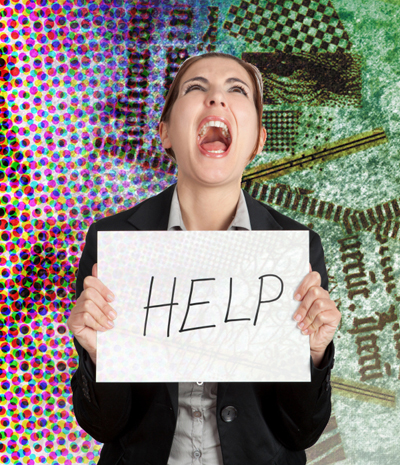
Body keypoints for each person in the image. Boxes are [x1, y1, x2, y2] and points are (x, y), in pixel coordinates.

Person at [68, 52, 341, 465]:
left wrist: (316, 354)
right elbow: (104, 426)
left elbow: (301, 429)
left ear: (258, 141)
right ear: (165, 134)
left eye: (237, 90)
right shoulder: (113, 242)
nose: (216, 99)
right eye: (197, 88)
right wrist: (96, 356)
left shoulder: (297, 249)